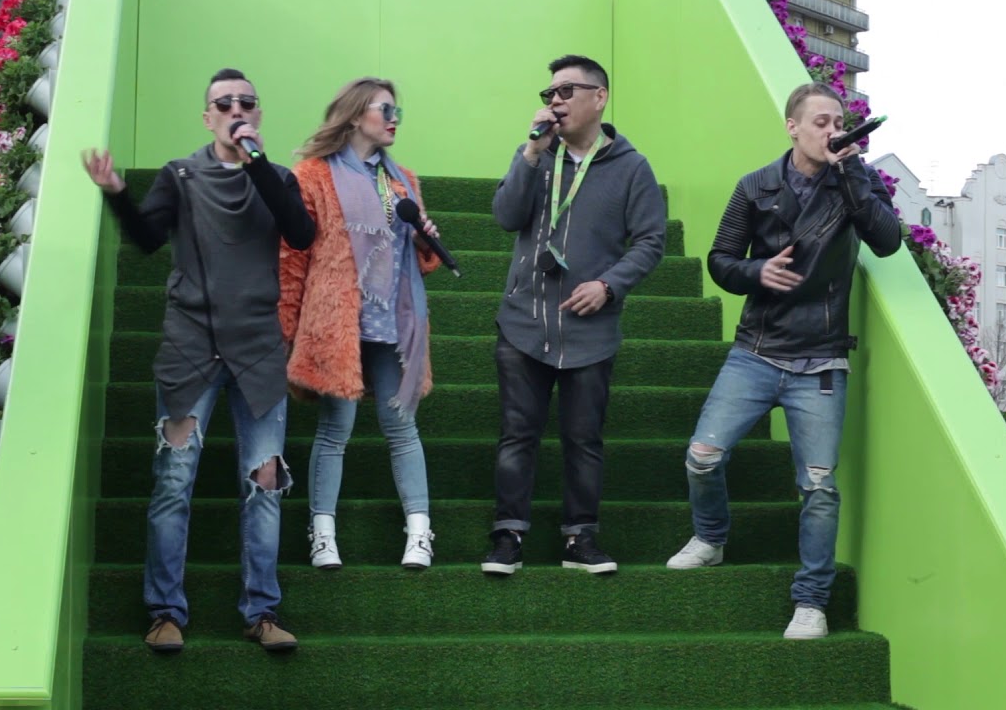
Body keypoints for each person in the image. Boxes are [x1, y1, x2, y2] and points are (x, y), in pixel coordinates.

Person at [82, 67, 313, 653]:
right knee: (173, 478)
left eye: (247, 102)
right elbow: (146, 240)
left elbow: (300, 233)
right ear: (207, 117)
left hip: (258, 349)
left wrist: (256, 162)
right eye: (224, 103)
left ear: (257, 114)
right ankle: (165, 612)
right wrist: (115, 193)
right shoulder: (180, 176)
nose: (236, 109)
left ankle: (262, 612)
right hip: (191, 349)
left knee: (265, 482)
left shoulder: (276, 177)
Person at [665, 82, 901, 640]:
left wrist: (851, 173)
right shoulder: (756, 185)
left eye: (838, 122)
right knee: (702, 457)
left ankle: (812, 601)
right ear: (792, 127)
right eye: (821, 122)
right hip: (755, 351)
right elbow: (721, 261)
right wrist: (758, 271)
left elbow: (888, 240)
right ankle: (711, 537)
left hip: (820, 361)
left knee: (818, 486)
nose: (832, 130)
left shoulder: (857, 181)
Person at [480, 55, 666, 576]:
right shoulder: (538, 156)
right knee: (517, 434)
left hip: (591, 330)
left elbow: (651, 241)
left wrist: (609, 285)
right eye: (550, 94)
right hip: (524, 322)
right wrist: (530, 153)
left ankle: (580, 538)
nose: (555, 102)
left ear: (599, 97)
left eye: (566, 92)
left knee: (584, 439)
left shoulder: (632, 167)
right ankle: (507, 536)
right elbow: (505, 216)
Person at [279, 77, 442, 571]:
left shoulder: (403, 179)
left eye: (397, 111)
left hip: (394, 320)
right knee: (336, 429)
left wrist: (426, 242)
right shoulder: (312, 176)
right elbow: (292, 258)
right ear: (354, 115)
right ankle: (322, 534)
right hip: (338, 321)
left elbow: (420, 260)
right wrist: (289, 329)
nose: (394, 119)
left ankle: (420, 533)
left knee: (402, 426)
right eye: (385, 109)